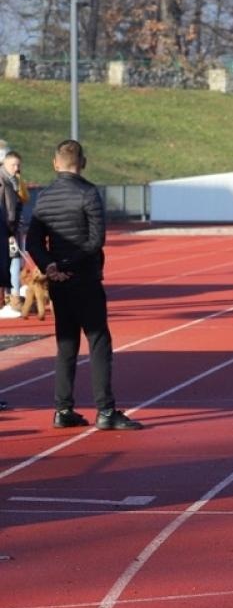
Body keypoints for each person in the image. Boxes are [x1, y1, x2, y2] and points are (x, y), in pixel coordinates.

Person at [26, 140, 143, 430]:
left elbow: (33, 242)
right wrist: (64, 266)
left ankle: (62, 410)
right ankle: (105, 411)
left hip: (58, 282)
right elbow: (94, 242)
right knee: (99, 342)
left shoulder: (44, 197)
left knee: (66, 344)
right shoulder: (88, 193)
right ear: (84, 163)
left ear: (55, 164)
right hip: (85, 278)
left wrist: (50, 267)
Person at [0, 150, 23, 319]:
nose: (16, 168)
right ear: (4, 164)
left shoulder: (13, 181)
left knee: (14, 262)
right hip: (5, 229)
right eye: (13, 165)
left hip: (11, 228)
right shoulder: (3, 182)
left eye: (18, 165)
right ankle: (13, 298)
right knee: (12, 262)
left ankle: (12, 297)